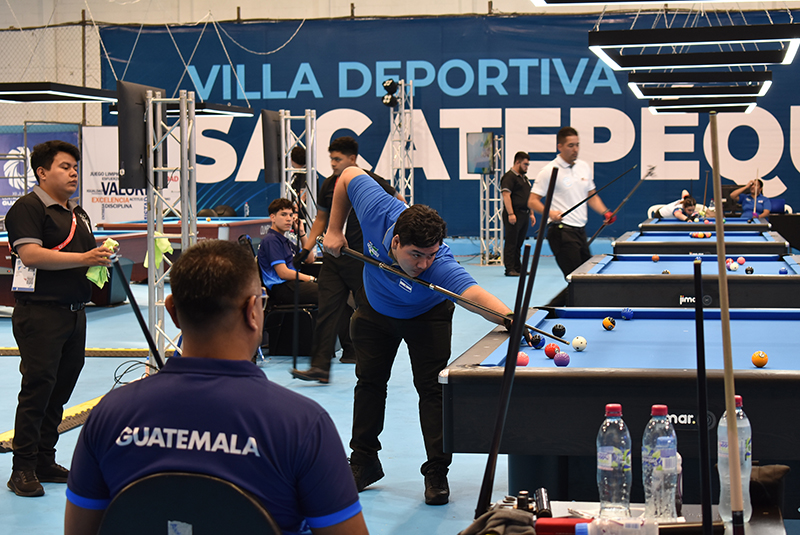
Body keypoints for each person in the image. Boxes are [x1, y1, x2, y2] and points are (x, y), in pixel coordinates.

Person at [64, 240, 369, 535]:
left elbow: (80, 529)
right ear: (252, 310)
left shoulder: (109, 415)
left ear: (172, 311)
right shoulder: (303, 425)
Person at [322, 166, 521, 506]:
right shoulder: (376, 208)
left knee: (432, 389)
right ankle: (364, 462)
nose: (424, 265)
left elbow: (474, 296)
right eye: (416, 255)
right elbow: (347, 175)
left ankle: (436, 472)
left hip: (427, 316)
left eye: (430, 255)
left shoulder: (439, 264)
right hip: (375, 310)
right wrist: (334, 230)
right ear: (396, 241)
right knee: (369, 384)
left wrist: (511, 319)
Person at [4, 140, 115, 498]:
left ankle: (44, 459)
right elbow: (31, 255)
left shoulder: (77, 213)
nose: (73, 173)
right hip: (41, 314)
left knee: (60, 390)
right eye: (65, 167)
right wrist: (85, 259)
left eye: (75, 167)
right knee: (38, 389)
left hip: (75, 314)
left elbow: (85, 256)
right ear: (42, 172)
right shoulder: (28, 208)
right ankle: (21, 468)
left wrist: (99, 258)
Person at [291, 136, 399, 384]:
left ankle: (375, 360)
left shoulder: (371, 181)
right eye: (331, 158)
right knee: (326, 311)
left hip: (360, 258)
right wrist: (306, 249)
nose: (333, 163)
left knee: (370, 310)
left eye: (338, 159)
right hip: (333, 259)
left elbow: (398, 204)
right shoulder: (329, 184)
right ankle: (319, 367)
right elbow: (321, 220)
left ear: (352, 159)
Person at [528, 126, 615, 278]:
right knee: (577, 278)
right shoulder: (549, 170)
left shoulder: (583, 167)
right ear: (560, 147)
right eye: (570, 145)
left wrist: (605, 212)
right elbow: (532, 201)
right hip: (561, 232)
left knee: (586, 277)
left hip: (580, 231)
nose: (575, 149)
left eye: (577, 145)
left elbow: (592, 196)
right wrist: (551, 213)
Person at [257, 198, 318, 306]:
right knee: (326, 292)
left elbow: (309, 259)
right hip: (281, 288)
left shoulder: (286, 242)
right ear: (273, 217)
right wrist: (310, 279)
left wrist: (302, 233)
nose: (289, 219)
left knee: (330, 289)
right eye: (283, 215)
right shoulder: (271, 240)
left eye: (290, 215)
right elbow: (283, 273)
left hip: (292, 284)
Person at [501, 151, 536, 276]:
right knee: (511, 242)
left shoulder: (524, 179)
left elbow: (528, 197)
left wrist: (531, 213)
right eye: (525, 164)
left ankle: (518, 267)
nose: (527, 167)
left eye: (528, 165)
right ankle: (509, 268)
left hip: (524, 214)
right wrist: (511, 214)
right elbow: (506, 195)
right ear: (517, 162)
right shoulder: (509, 177)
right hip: (514, 213)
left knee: (519, 243)